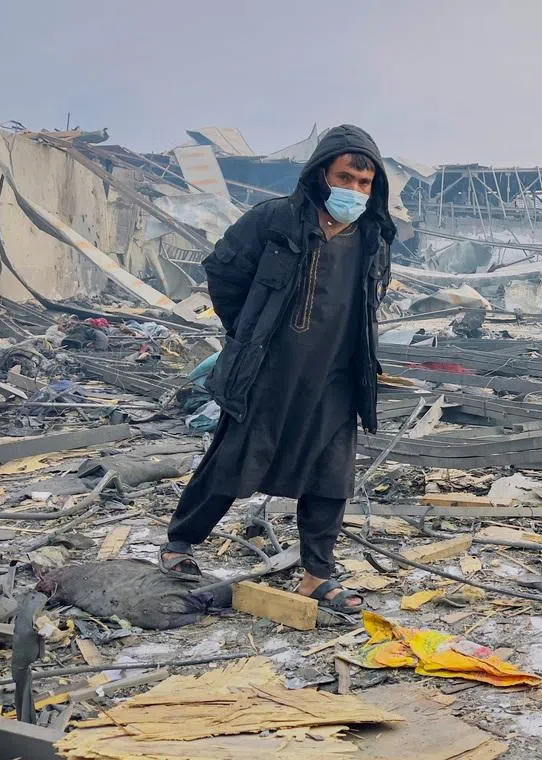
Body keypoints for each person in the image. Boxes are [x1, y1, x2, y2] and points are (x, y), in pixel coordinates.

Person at [158, 125, 396, 614]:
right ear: (320, 175)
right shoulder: (275, 220)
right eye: (345, 178)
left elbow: (371, 302)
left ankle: (317, 577)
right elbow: (223, 270)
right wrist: (247, 330)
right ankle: (180, 543)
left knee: (331, 476)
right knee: (234, 459)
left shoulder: (373, 238)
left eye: (364, 183)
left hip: (335, 377)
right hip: (268, 372)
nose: (354, 190)